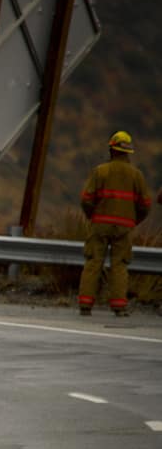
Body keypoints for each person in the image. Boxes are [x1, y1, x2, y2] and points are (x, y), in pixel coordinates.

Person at [77, 131, 152, 317]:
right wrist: (132, 221)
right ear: (128, 152)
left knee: (94, 261)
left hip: (100, 224)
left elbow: (86, 199)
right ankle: (119, 306)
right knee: (120, 264)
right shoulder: (137, 176)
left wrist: (92, 216)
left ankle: (85, 305)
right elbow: (145, 205)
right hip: (124, 227)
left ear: (112, 149)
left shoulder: (100, 171)